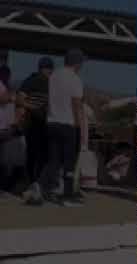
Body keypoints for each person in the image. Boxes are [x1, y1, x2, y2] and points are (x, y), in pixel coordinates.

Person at [24, 49, 86, 206]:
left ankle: (37, 187)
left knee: (53, 161)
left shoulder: (54, 76)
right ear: (78, 63)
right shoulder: (75, 79)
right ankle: (67, 196)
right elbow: (76, 106)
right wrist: (80, 129)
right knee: (69, 162)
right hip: (68, 125)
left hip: (51, 123)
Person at [18, 56, 54, 186]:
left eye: (50, 69)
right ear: (42, 69)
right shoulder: (32, 80)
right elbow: (20, 99)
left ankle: (35, 182)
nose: (49, 71)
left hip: (45, 124)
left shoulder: (51, 83)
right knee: (34, 153)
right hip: (33, 123)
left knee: (42, 154)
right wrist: (34, 108)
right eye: (48, 69)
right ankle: (32, 182)